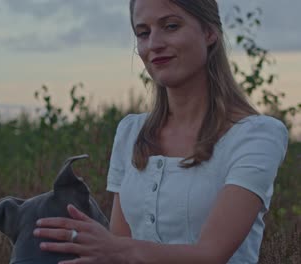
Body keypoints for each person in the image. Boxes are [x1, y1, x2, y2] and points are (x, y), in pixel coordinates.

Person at [33, 0, 289, 263]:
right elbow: (117, 249)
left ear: (210, 32)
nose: (154, 44)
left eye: (170, 26)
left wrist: (112, 247)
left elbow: (211, 254)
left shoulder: (255, 136)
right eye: (143, 33)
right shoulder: (131, 132)